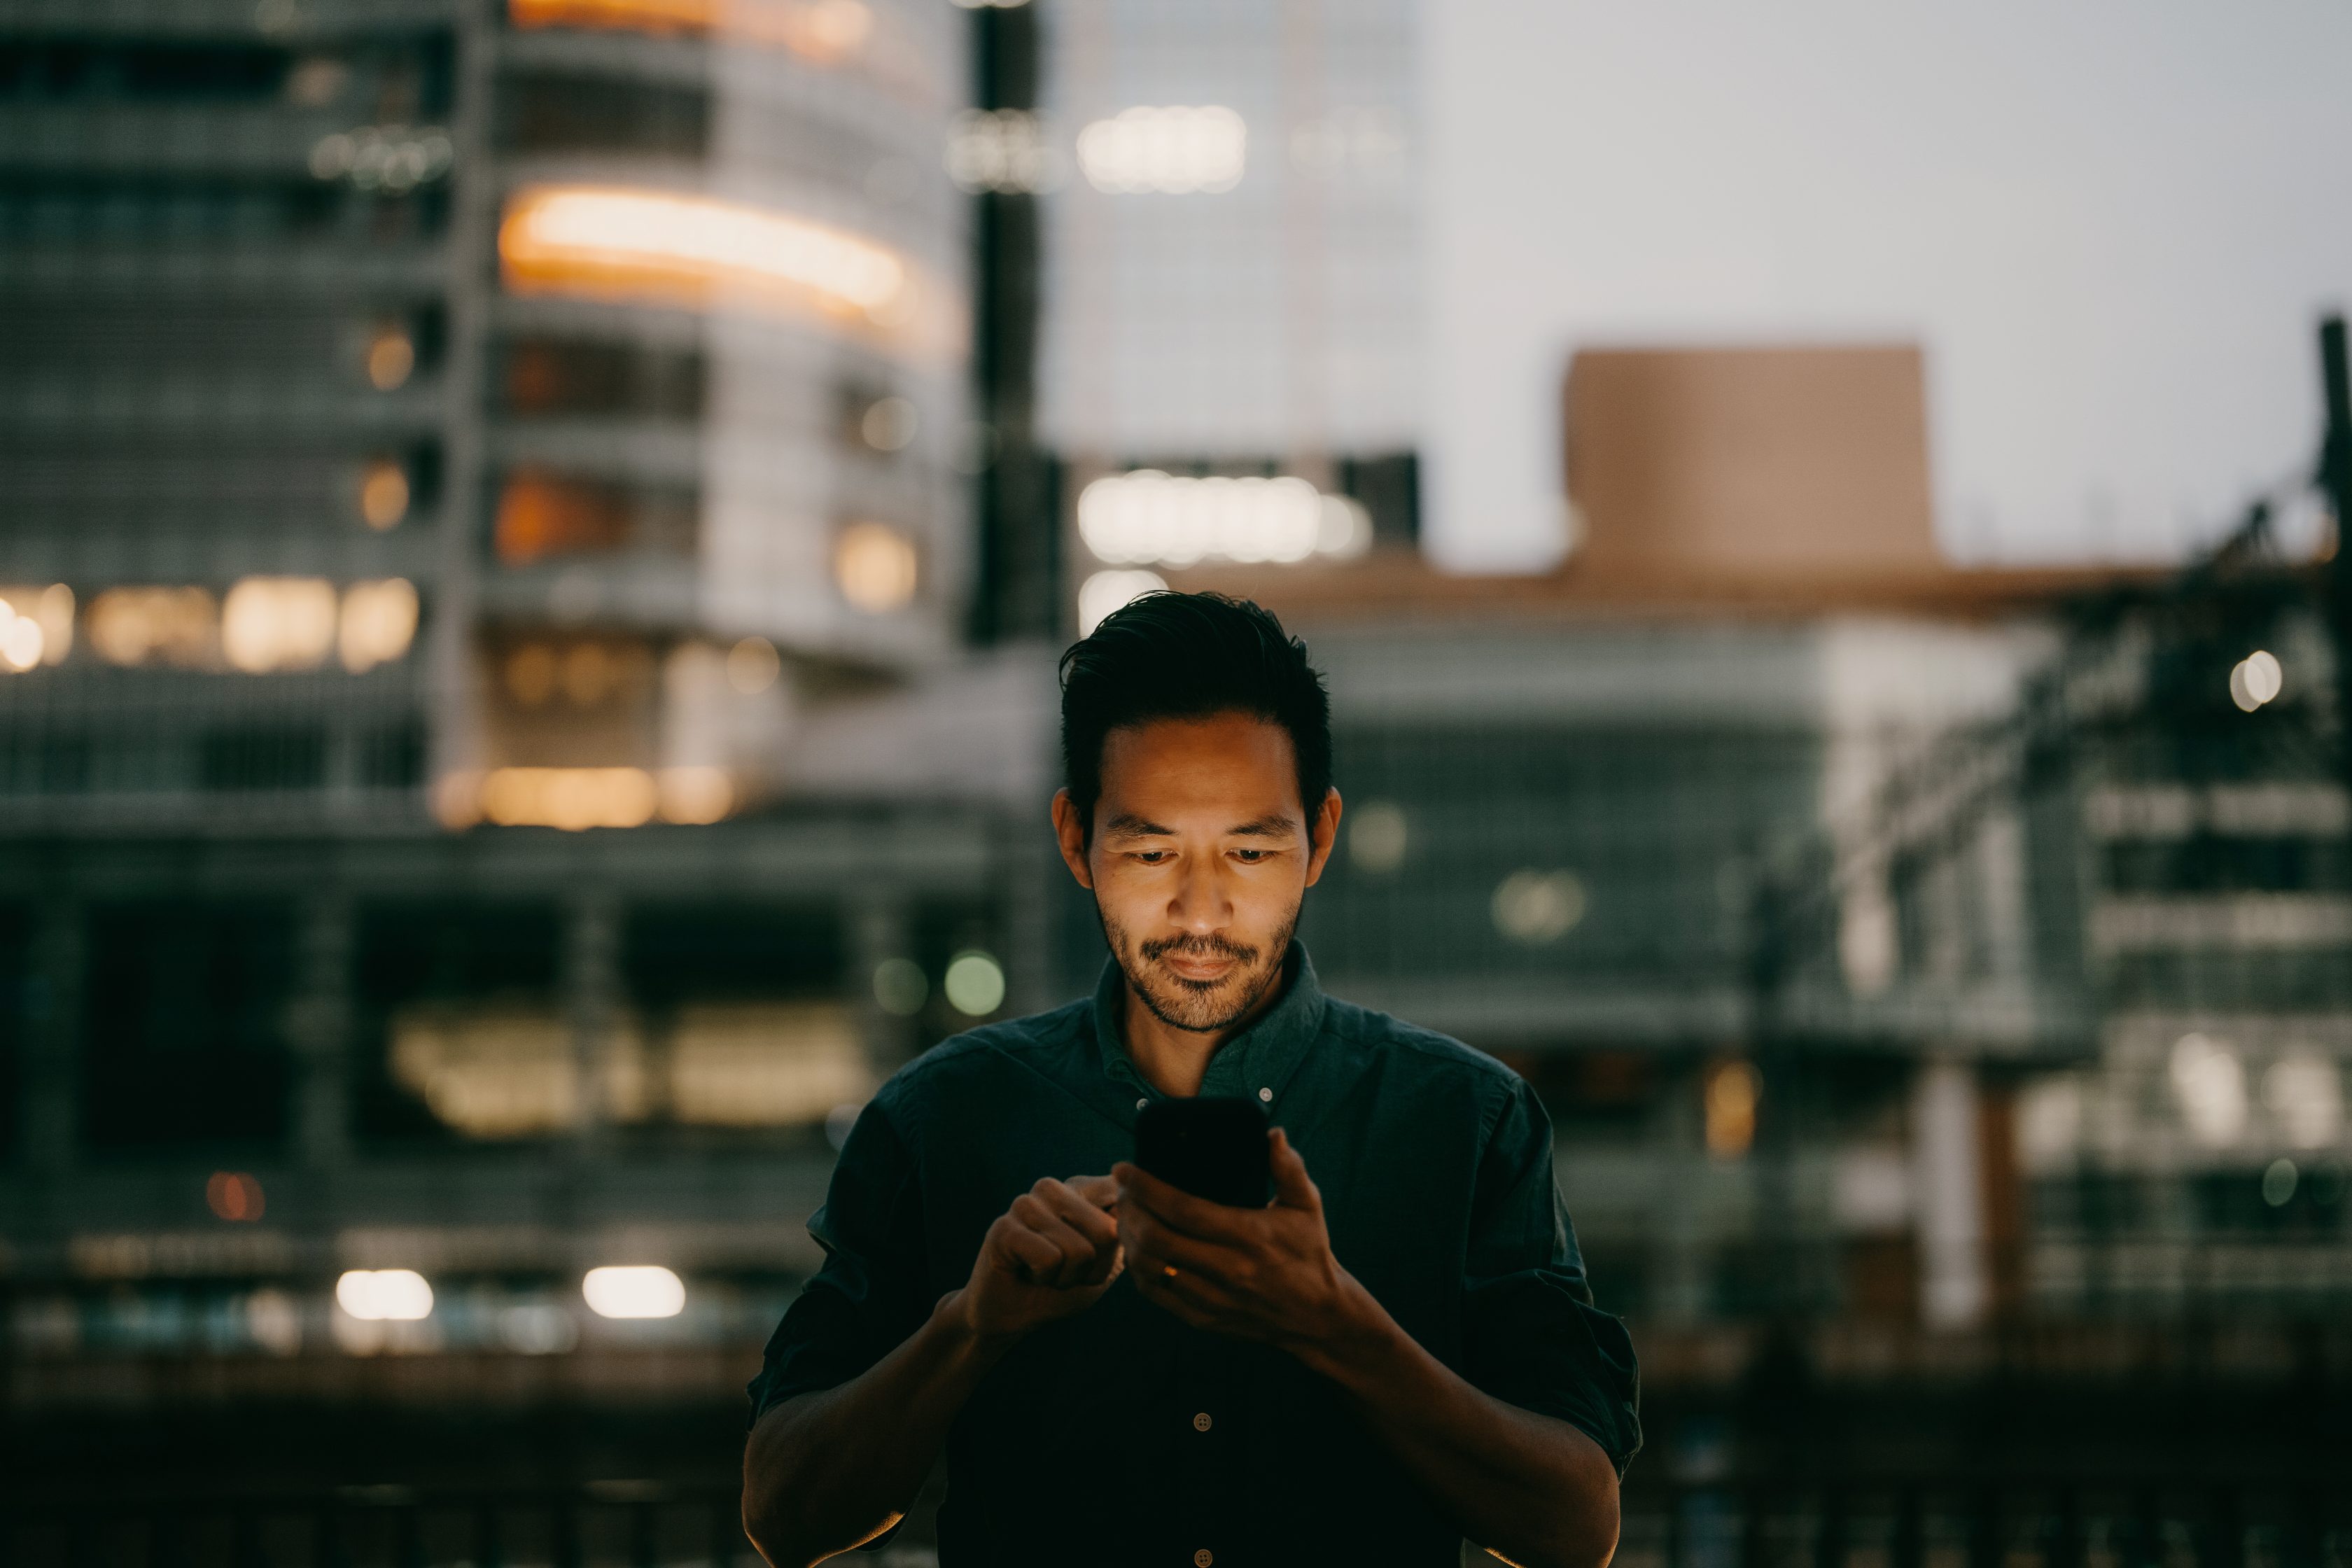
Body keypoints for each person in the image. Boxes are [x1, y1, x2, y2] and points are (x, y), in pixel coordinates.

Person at [741, 592, 1639, 1568]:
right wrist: (971, 1327)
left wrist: (1336, 1324)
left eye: (1250, 850)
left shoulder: (1466, 1121)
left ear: (1321, 840)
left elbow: (1576, 1526)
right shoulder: (942, 1117)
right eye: (1152, 848)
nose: (1201, 908)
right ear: (1075, 841)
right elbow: (782, 1514)